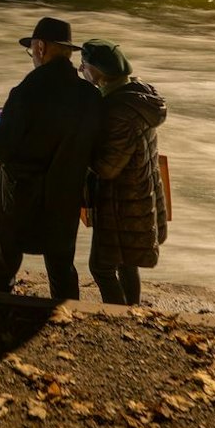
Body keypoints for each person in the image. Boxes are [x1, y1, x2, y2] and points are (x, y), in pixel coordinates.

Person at [0, 16, 100, 300]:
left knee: (3, 265)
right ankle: (67, 315)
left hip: (19, 198)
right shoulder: (89, 96)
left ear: (40, 48)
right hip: (64, 195)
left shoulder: (27, 91)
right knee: (61, 268)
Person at [79, 39, 168, 306]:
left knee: (102, 267)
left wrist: (80, 147)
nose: (81, 71)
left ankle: (119, 317)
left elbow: (107, 167)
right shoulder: (137, 96)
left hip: (121, 202)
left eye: (84, 66)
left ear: (99, 72)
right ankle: (132, 310)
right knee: (127, 264)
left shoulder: (119, 112)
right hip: (140, 194)